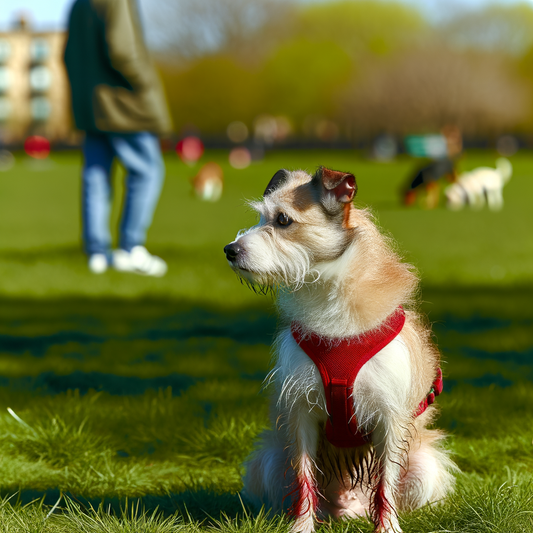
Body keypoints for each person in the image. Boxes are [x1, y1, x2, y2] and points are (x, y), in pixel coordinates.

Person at [64, 0, 172, 276]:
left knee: (95, 175)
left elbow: (66, 55)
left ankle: (97, 254)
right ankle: (130, 248)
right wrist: (147, 84)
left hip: (90, 105)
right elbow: (124, 51)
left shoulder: (79, 4)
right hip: (122, 103)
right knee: (147, 170)